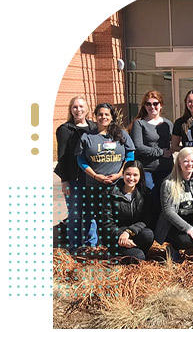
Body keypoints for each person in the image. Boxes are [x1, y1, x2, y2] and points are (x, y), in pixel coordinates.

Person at [76, 102, 136, 245]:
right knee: (92, 215)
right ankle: (93, 245)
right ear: (95, 116)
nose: (103, 117)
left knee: (114, 216)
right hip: (94, 184)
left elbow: (130, 155)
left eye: (107, 114)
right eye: (100, 114)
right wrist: (95, 176)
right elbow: (81, 159)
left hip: (116, 184)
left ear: (112, 117)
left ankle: (114, 243)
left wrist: (120, 174)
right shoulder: (87, 136)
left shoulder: (121, 134)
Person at [55, 96, 97, 252]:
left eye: (81, 107)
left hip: (92, 179)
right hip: (74, 179)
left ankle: (90, 246)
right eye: (75, 107)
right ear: (70, 110)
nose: (78, 110)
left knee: (91, 214)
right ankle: (75, 247)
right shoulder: (65, 129)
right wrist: (64, 181)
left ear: (87, 108)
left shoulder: (94, 127)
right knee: (75, 214)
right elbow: (62, 157)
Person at [155, 147, 193, 262]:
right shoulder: (168, 183)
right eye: (186, 161)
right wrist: (188, 228)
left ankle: (192, 248)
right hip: (175, 224)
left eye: (192, 161)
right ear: (179, 162)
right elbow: (168, 211)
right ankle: (173, 248)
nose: (189, 164)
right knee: (185, 240)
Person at [129, 90, 173, 227]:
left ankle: (164, 233)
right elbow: (138, 147)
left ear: (161, 105)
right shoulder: (139, 124)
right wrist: (160, 152)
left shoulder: (167, 123)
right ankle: (149, 230)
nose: (152, 107)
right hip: (147, 169)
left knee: (166, 200)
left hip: (166, 169)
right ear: (144, 106)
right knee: (151, 198)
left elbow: (174, 143)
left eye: (155, 104)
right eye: (148, 104)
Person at [100, 161, 156, 263]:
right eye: (128, 174)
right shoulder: (110, 193)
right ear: (123, 174)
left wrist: (129, 232)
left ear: (140, 176)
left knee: (148, 234)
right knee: (139, 257)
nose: (131, 178)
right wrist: (121, 234)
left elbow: (147, 219)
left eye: (135, 175)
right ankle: (116, 253)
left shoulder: (145, 193)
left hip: (135, 233)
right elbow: (107, 222)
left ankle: (135, 253)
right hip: (116, 236)